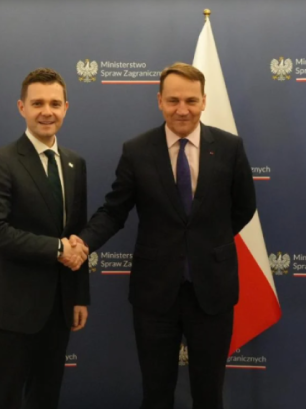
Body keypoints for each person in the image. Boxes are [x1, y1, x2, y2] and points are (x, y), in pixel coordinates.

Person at [72, 62, 256, 409]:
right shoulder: (137, 150)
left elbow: (244, 207)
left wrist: (206, 243)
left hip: (212, 291)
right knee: (156, 393)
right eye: (173, 100)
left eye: (191, 100)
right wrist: (84, 242)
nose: (182, 109)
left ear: (204, 101)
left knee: (209, 394)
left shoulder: (229, 148)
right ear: (159, 101)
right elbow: (114, 211)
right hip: (155, 294)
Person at [0, 68, 90, 409]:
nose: (46, 112)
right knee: (6, 400)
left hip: (58, 308)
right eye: (37, 103)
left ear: (66, 108)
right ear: (21, 107)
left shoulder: (75, 163)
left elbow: (77, 234)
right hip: (11, 309)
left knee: (46, 398)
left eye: (55, 103)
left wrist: (78, 295)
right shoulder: (0, 162)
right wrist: (56, 249)